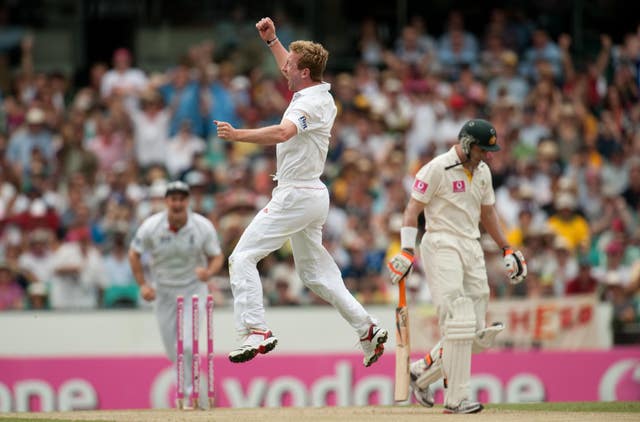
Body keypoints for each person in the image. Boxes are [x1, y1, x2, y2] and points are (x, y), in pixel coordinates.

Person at [214, 16, 388, 367]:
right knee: (315, 273)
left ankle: (256, 329)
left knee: (242, 257)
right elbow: (287, 68)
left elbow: (282, 133)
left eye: (290, 65)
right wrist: (273, 41)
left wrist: (237, 135)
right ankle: (366, 328)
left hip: (296, 194)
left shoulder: (310, 104)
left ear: (304, 72)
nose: (284, 70)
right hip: (310, 194)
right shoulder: (313, 92)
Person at [387, 118, 527, 413]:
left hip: (472, 246)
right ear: (467, 144)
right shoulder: (437, 168)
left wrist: (507, 248)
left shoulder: (484, 172)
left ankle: (420, 373)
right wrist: (407, 250)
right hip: (441, 243)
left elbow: (488, 213)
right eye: (484, 150)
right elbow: (412, 210)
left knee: (476, 334)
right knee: (458, 319)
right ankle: (456, 399)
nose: (489, 155)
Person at [128, 181, 224, 404]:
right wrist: (143, 284)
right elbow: (134, 253)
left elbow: (217, 255)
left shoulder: (202, 226)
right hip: (163, 293)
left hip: (193, 290)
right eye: (173, 199)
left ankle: (191, 392)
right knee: (173, 351)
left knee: (188, 345)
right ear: (166, 201)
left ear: (188, 201)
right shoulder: (151, 226)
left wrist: (208, 272)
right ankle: (191, 387)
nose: (177, 203)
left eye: (182, 199)